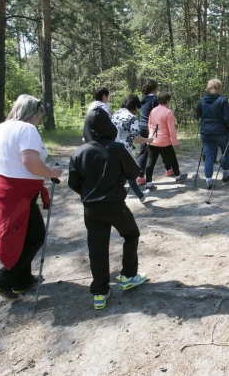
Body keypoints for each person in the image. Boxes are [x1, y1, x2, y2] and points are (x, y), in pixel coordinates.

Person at [0, 95, 63, 300]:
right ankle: (1, 280)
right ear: (34, 113)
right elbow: (31, 163)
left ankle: (22, 280)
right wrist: (52, 172)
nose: (39, 121)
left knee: (22, 236)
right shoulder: (27, 129)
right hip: (14, 194)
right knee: (35, 236)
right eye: (39, 117)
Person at [68, 106, 147, 310]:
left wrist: (87, 193)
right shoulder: (117, 148)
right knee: (131, 234)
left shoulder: (79, 152)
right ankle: (128, 276)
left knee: (97, 247)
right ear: (109, 126)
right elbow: (134, 171)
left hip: (91, 209)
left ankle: (100, 292)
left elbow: (73, 182)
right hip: (114, 205)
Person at [111, 94, 155, 203]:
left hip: (113, 148)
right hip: (126, 151)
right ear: (134, 106)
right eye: (136, 108)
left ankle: (141, 195)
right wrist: (148, 140)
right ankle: (115, 198)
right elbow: (136, 138)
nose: (136, 111)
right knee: (126, 175)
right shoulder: (132, 117)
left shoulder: (114, 114)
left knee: (128, 174)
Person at [197, 79, 229, 189]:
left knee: (209, 155)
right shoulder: (223, 100)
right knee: (226, 152)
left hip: (206, 132)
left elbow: (199, 113)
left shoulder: (202, 100)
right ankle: (225, 176)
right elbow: (227, 118)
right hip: (221, 132)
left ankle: (209, 181)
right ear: (219, 87)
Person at [145, 91, 188, 189]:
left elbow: (149, 126)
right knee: (173, 159)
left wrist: (149, 138)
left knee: (150, 163)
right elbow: (171, 130)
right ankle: (178, 177)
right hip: (164, 141)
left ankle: (148, 184)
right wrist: (175, 143)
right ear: (167, 101)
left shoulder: (153, 111)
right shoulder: (168, 112)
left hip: (152, 140)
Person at [136, 80, 172, 185]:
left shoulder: (142, 99)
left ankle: (140, 176)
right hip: (151, 127)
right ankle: (169, 169)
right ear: (154, 89)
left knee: (144, 152)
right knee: (163, 148)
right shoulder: (154, 100)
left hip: (141, 126)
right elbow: (158, 114)